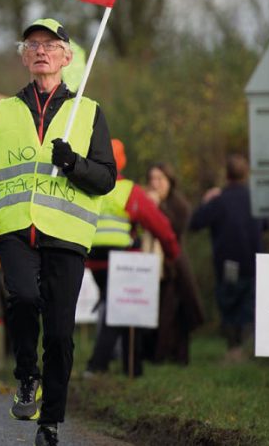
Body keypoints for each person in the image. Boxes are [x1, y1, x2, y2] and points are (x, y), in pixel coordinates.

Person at [0, 19, 117, 446]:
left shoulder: (89, 111)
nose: (41, 50)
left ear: (67, 57)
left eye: (50, 44)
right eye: (32, 44)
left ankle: (49, 422)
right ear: (24, 55)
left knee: (62, 333)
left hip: (66, 234)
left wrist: (75, 165)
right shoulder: (2, 111)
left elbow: (106, 178)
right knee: (25, 298)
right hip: (13, 229)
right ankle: (26, 375)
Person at [83, 139, 180, 377]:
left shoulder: (86, 187)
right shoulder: (129, 191)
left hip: (93, 262)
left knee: (120, 311)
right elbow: (161, 227)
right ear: (122, 161)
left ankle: (132, 368)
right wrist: (172, 254)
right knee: (119, 313)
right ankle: (98, 366)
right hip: (122, 262)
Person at [189, 153, 264, 362]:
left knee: (229, 306)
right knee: (249, 308)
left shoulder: (219, 200)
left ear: (227, 174)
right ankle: (247, 353)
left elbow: (195, 223)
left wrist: (206, 200)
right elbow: (267, 224)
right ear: (246, 174)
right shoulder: (256, 200)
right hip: (254, 264)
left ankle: (233, 350)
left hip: (227, 266)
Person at [147, 163, 204, 364]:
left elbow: (173, 231)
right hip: (151, 264)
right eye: (152, 179)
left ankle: (170, 356)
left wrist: (158, 207)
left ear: (170, 182)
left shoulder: (180, 206)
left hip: (174, 267)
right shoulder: (147, 200)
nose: (155, 184)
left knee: (172, 314)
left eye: (160, 179)